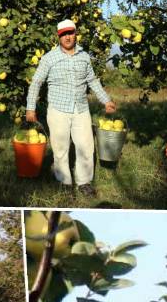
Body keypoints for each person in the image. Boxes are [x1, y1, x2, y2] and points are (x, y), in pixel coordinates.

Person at [25, 19, 116, 196]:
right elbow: (36, 82)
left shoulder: (84, 56)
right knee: (60, 149)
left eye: (70, 33)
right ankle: (64, 182)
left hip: (81, 108)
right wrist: (30, 108)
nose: (68, 37)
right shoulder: (49, 58)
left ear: (76, 34)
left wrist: (106, 100)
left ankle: (84, 182)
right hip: (58, 109)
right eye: (64, 34)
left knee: (86, 146)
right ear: (59, 37)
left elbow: (92, 81)